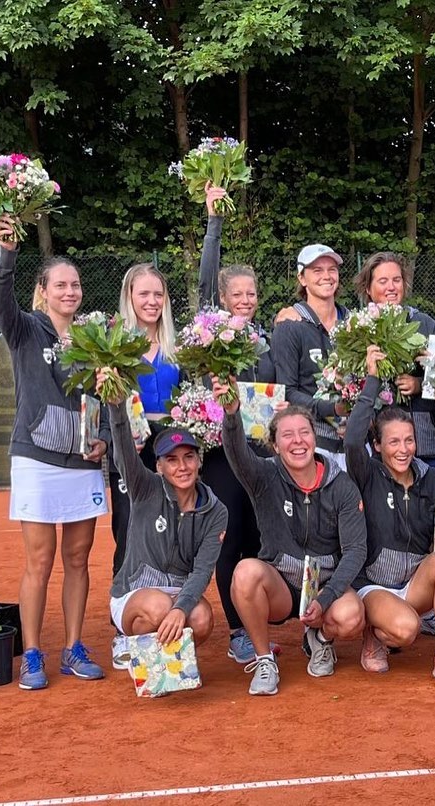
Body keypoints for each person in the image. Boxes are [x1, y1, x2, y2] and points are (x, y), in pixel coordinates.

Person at [0, 214, 109, 690]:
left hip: (82, 462)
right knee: (39, 561)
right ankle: (33, 653)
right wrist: (7, 254)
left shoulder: (92, 339)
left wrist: (103, 436)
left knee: (78, 559)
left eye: (75, 285)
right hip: (36, 459)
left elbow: (103, 396)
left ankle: (74, 647)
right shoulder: (24, 329)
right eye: (60, 284)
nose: (69, 291)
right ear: (43, 291)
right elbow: (0, 300)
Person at [215, 379, 367, 696]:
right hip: (281, 586)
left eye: (304, 433)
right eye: (287, 435)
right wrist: (231, 415)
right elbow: (237, 455)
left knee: (351, 616)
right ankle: (264, 660)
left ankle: (320, 639)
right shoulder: (263, 476)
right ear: (274, 445)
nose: (297, 441)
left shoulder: (341, 485)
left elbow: (355, 550)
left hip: (324, 585)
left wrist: (326, 598)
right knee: (245, 572)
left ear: (315, 438)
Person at [345, 345, 435, 687]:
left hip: (413, 582)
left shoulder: (432, 478)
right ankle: (374, 631)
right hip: (373, 584)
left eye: (409, 441)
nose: (403, 450)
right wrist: (372, 381)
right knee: (406, 630)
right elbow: (352, 441)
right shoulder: (366, 473)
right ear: (377, 445)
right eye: (393, 442)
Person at [197, 182, 281, 666]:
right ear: (222, 298)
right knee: (228, 537)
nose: (245, 300)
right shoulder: (212, 332)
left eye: (251, 293)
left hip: (261, 455)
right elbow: (204, 285)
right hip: (222, 456)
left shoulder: (265, 339)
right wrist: (214, 223)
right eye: (236, 294)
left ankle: (253, 624)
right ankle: (236, 631)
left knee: (256, 537)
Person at [101, 370, 227, 654]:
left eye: (188, 457)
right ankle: (140, 652)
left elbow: (203, 570)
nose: (182, 467)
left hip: (179, 591)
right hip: (136, 592)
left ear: (199, 461)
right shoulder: (145, 487)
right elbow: (124, 454)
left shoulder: (215, 510)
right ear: (159, 466)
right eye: (172, 460)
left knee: (201, 619)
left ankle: (169, 665)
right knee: (158, 608)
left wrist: (181, 608)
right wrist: (116, 408)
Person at [108, 261, 180, 668]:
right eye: (144, 294)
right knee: (128, 534)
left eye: (158, 294)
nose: (152, 301)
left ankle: (164, 616)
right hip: (130, 450)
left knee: (168, 534)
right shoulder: (114, 346)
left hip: (171, 449)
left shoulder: (177, 347)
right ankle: (123, 629)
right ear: (129, 297)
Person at [352, 252, 435, 472]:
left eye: (396, 280)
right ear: (368, 288)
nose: (391, 287)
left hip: (427, 442)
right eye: (382, 281)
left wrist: (419, 384)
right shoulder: (357, 329)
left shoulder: (425, 324)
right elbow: (350, 387)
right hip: (380, 446)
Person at [273, 244, 350, 468]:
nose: (326, 276)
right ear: (302, 278)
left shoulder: (355, 323)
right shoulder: (289, 326)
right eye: (317, 270)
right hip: (314, 445)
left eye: (332, 269)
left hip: (355, 443)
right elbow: (287, 391)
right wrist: (333, 410)